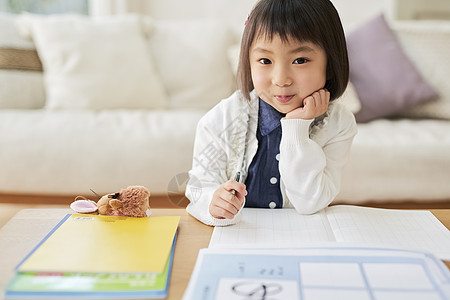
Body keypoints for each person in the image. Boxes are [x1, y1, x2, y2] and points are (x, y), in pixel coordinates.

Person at [185, 0, 357, 226]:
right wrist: (213, 203)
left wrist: (297, 127)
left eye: (300, 60)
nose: (281, 79)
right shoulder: (222, 118)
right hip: (239, 237)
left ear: (331, 61)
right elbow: (199, 188)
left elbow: (311, 202)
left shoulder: (338, 123)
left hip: (302, 237)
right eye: (265, 60)